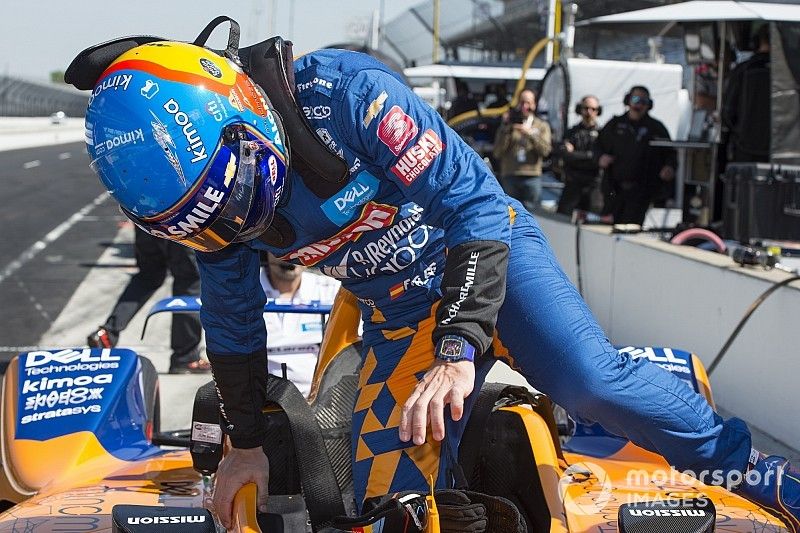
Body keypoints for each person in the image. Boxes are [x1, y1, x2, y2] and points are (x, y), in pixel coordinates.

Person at [76, 37, 799, 532]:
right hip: (400, 316)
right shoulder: (217, 212)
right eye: (203, 224)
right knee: (393, 508)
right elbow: (232, 326)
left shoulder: (346, 95)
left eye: (234, 195)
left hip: (489, 258)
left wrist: (459, 349)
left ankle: (747, 467)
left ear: (244, 109)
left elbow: (478, 205)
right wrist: (245, 440)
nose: (236, 221)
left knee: (590, 381)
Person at [87, 225, 210, 374]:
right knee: (189, 281)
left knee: (148, 276)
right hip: (179, 220)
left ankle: (108, 332)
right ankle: (185, 357)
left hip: (145, 219)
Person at [259, 252, 340, 398]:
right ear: (265, 250)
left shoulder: (332, 290)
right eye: (282, 248)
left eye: (298, 247)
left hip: (323, 404)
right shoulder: (244, 291)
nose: (291, 254)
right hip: (261, 402)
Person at [596, 85, 677, 225]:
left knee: (630, 228)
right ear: (628, 101)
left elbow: (671, 154)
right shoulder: (615, 124)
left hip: (641, 191)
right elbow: (597, 146)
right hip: (614, 189)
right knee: (605, 227)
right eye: (635, 99)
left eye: (643, 101)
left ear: (649, 105)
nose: (638, 104)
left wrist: (669, 167)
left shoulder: (656, 128)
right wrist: (600, 158)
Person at [492, 89, 552, 212]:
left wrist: (530, 134)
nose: (525, 107)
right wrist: (507, 128)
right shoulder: (508, 126)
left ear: (534, 105)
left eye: (528, 103)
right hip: (510, 175)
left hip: (532, 176)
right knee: (510, 213)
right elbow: (497, 152)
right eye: (522, 103)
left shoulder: (541, 126)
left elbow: (545, 151)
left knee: (533, 213)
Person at [722, 23, 771, 163]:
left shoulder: (742, 70)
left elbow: (727, 112)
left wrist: (740, 132)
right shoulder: (791, 75)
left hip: (744, 150)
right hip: (780, 152)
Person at [556, 95, 603, 216]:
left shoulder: (602, 133)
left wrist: (575, 154)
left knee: (593, 222)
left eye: (593, 109)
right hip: (572, 184)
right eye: (586, 108)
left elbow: (597, 158)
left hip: (593, 186)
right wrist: (586, 156)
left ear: (598, 111)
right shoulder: (572, 132)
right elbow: (565, 155)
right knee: (563, 220)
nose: (589, 112)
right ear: (579, 109)